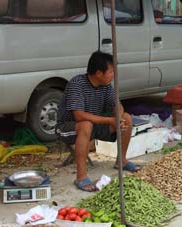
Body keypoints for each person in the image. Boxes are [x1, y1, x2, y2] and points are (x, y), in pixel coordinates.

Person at [58, 51, 138, 192]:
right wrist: (110, 120)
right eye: (111, 71)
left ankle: (122, 161)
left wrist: (118, 118)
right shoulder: (77, 84)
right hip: (68, 127)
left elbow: (117, 105)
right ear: (99, 73)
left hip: (94, 124)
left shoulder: (105, 85)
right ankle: (81, 177)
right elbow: (79, 116)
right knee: (85, 125)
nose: (114, 75)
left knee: (127, 118)